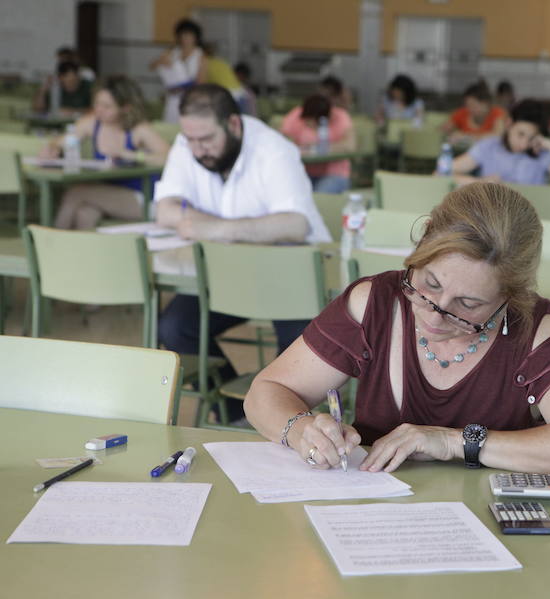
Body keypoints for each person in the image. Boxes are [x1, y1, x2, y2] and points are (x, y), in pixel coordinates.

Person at [244, 182, 550, 478]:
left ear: (511, 295)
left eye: (469, 305)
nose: (435, 315)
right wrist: (302, 430)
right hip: (373, 518)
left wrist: (450, 441)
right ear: (422, 243)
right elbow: (266, 392)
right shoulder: (375, 302)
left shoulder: (535, 330)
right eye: (430, 284)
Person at [154, 84, 332, 422]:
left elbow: (294, 224)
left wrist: (215, 228)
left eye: (206, 140)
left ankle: (285, 422)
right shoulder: (188, 142)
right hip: (228, 274)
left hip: (291, 274)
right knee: (175, 327)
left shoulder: (274, 150)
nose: (197, 150)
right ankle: (236, 412)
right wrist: (230, 228)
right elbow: (165, 211)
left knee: (297, 350)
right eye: (190, 140)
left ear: (233, 124)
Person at [40, 75, 171, 230]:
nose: (99, 110)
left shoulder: (139, 129)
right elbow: (66, 140)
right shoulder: (92, 124)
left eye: (107, 106)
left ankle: (51, 245)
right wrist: (53, 147)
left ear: (126, 107)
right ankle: (86, 253)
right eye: (97, 103)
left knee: (76, 192)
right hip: (109, 193)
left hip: (145, 198)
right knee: (85, 213)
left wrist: (131, 154)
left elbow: (169, 158)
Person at [448, 99, 550, 187]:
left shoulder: (541, 154)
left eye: (531, 138)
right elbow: (441, 173)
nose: (524, 144)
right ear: (508, 124)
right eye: (520, 134)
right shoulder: (488, 147)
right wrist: (478, 182)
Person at [281, 94, 357, 193]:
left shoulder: (341, 117)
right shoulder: (297, 114)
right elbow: (281, 140)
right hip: (303, 171)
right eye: (307, 121)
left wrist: (314, 148)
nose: (310, 125)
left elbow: (350, 146)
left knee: (318, 198)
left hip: (334, 173)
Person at [150, 18, 206, 123]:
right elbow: (152, 66)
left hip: (190, 97)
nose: (186, 39)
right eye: (183, 35)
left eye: (189, 35)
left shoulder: (199, 55)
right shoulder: (174, 52)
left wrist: (180, 88)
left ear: (196, 37)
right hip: (173, 98)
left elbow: (201, 82)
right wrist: (160, 61)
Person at [441, 83, 507, 143]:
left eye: (473, 105)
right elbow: (444, 129)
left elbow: (498, 135)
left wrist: (466, 137)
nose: (469, 109)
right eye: (467, 105)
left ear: (485, 103)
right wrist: (450, 133)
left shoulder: (497, 113)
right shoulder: (462, 113)